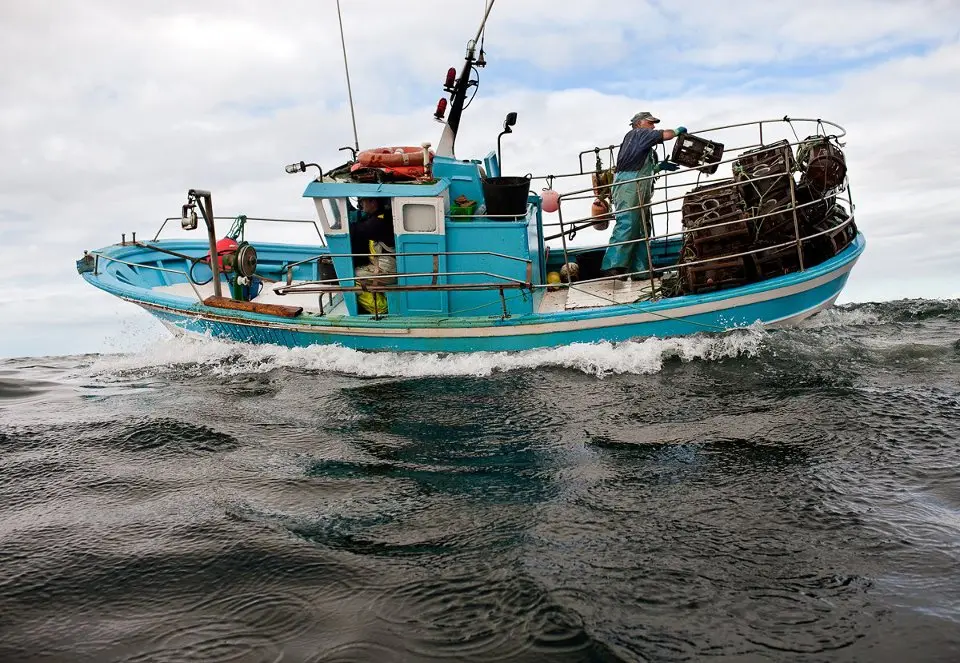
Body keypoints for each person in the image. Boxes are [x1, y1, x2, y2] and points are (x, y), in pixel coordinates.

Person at [601, 111, 687, 279]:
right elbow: (666, 134)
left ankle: (641, 270)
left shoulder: (642, 145)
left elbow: (642, 166)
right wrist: (677, 131)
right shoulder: (637, 134)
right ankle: (612, 265)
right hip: (628, 185)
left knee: (642, 227)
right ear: (639, 123)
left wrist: (659, 167)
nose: (653, 126)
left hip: (640, 187)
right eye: (650, 122)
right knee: (628, 222)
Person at [350, 198, 396, 313]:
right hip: (385, 267)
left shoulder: (379, 223)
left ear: (373, 202)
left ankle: (380, 308)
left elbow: (357, 229)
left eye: (362, 201)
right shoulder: (382, 216)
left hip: (387, 271)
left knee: (350, 279)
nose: (360, 204)